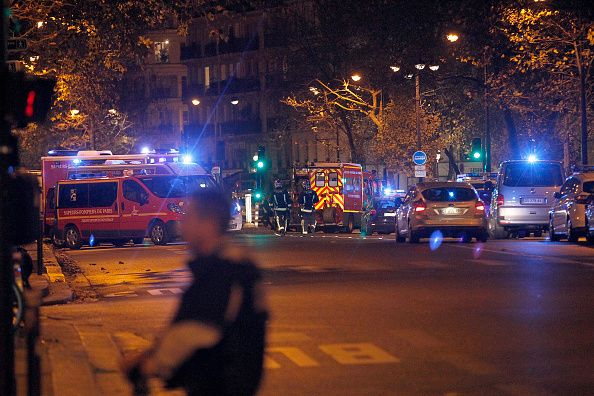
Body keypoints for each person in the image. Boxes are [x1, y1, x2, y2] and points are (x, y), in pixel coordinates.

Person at [122, 189, 268, 396]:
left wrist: (149, 363)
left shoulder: (223, 270)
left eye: (188, 217)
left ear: (208, 224)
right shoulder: (229, 263)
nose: (182, 225)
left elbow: (195, 330)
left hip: (222, 386)